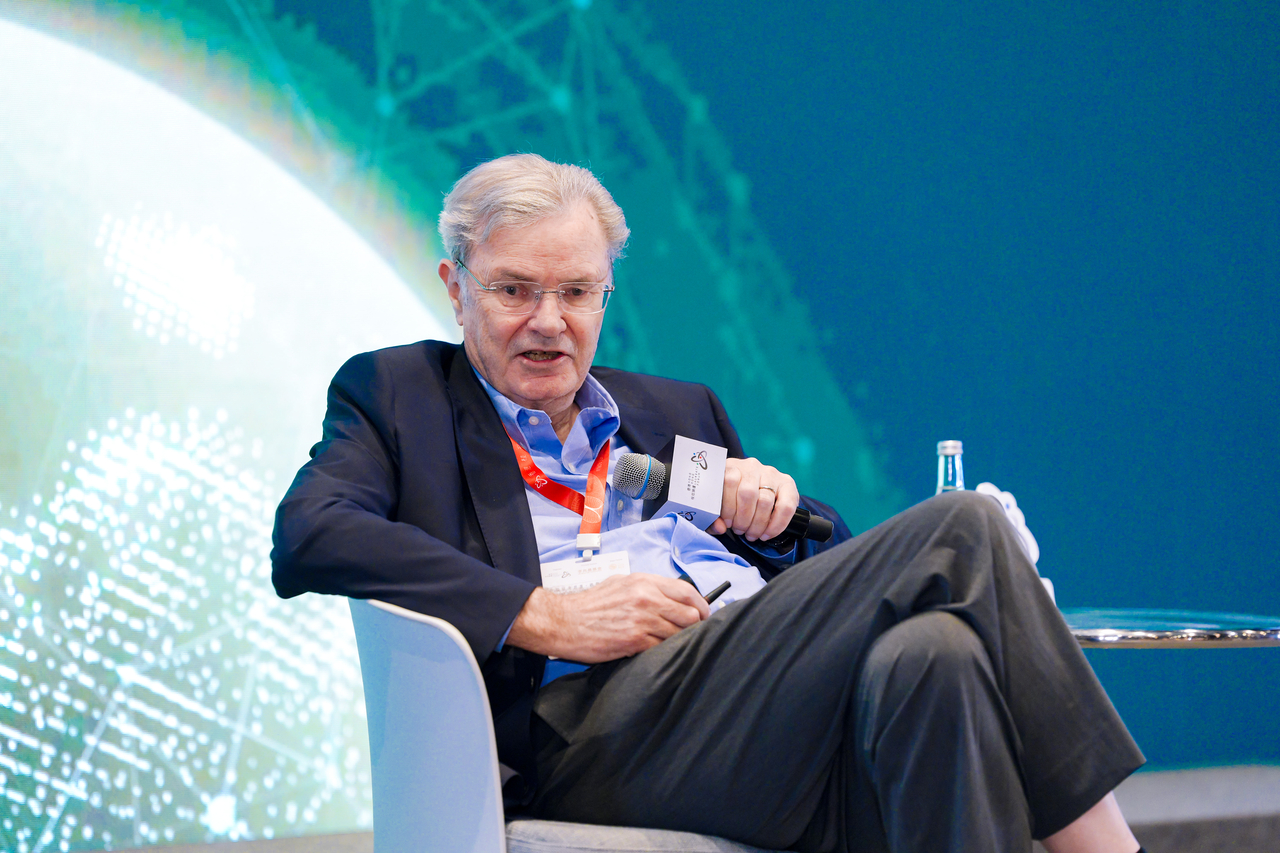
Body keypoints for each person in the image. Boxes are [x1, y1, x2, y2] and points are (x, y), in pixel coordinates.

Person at [272, 153, 1146, 853]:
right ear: (456, 286)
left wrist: (771, 511)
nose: (549, 320)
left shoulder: (673, 409)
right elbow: (310, 534)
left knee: (937, 652)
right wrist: (539, 614)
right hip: (597, 733)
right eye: (514, 290)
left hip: (757, 707)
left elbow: (827, 562)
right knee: (965, 528)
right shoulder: (399, 395)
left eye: (577, 292)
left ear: (605, 293)